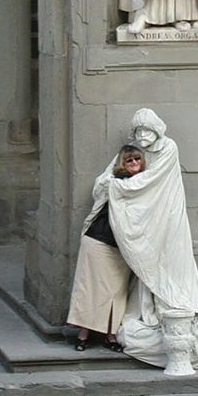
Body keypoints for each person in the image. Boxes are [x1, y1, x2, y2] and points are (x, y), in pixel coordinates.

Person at [108, 108, 198, 374]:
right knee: (150, 269)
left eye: (147, 131)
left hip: (169, 218)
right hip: (148, 222)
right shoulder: (135, 150)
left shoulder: (168, 148)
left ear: (157, 130)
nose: (143, 136)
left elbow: (149, 181)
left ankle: (176, 310)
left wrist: (118, 187)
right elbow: (112, 172)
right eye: (138, 132)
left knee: (172, 266)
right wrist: (109, 182)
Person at [66, 144, 144, 351]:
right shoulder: (113, 181)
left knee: (116, 291)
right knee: (89, 288)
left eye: (137, 159)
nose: (134, 163)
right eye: (129, 160)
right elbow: (99, 189)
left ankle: (110, 335)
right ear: (122, 163)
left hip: (121, 246)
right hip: (98, 239)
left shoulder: (145, 183)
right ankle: (83, 334)